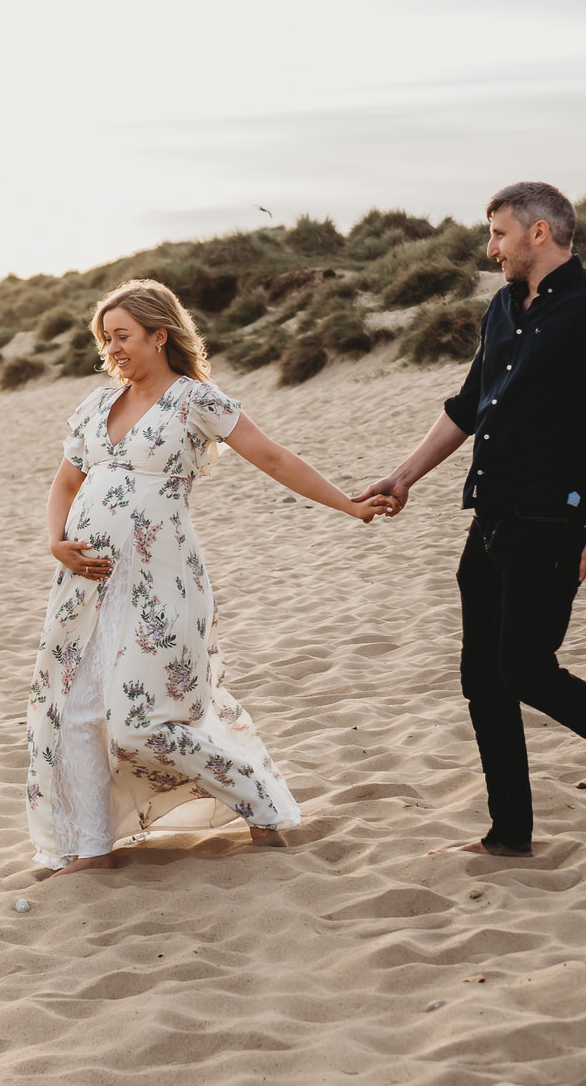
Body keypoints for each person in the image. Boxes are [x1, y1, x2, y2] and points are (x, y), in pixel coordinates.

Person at [357, 182, 586, 855]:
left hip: (555, 516)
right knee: (482, 679)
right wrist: (403, 475)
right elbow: (467, 404)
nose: (491, 249)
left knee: (527, 667)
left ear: (540, 233)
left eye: (500, 234)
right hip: (492, 514)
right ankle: (509, 832)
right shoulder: (504, 307)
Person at [25, 278, 391, 877]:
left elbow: (274, 457)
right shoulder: (95, 406)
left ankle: (262, 804)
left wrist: (347, 505)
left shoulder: (196, 401)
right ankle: (91, 848)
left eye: (123, 336)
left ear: (158, 335)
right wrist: (56, 542)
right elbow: (66, 482)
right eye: (104, 338)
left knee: (143, 720)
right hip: (87, 584)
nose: (112, 349)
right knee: (78, 708)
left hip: (162, 580)